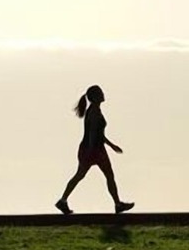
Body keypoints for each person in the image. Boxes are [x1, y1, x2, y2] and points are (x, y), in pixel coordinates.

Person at [55, 85, 135, 215]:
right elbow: (92, 133)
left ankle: (63, 201)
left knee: (93, 175)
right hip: (93, 150)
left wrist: (111, 145)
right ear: (95, 97)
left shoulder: (95, 110)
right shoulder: (94, 112)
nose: (103, 94)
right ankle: (117, 204)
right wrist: (92, 150)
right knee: (93, 175)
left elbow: (99, 134)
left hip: (94, 149)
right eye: (101, 93)